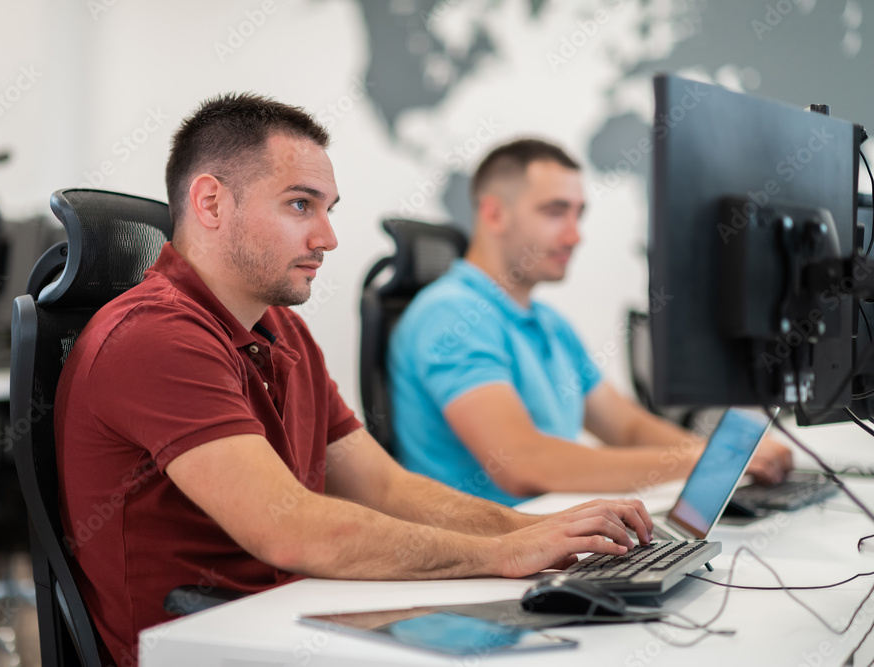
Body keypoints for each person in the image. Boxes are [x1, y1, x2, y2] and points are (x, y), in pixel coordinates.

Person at [55, 96, 655, 664]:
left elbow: (388, 489)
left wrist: (542, 533)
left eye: (327, 210)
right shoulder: (154, 336)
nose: (328, 237)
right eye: (299, 205)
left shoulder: (283, 331)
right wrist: (502, 553)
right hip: (209, 646)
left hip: (294, 621)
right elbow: (286, 528)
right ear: (211, 203)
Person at [388, 138, 793, 507]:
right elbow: (524, 464)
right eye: (555, 212)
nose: (574, 235)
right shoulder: (450, 315)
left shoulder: (548, 323)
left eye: (578, 214)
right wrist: (711, 460)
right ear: (494, 214)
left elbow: (627, 428)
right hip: (490, 559)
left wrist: (727, 460)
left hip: (550, 534)